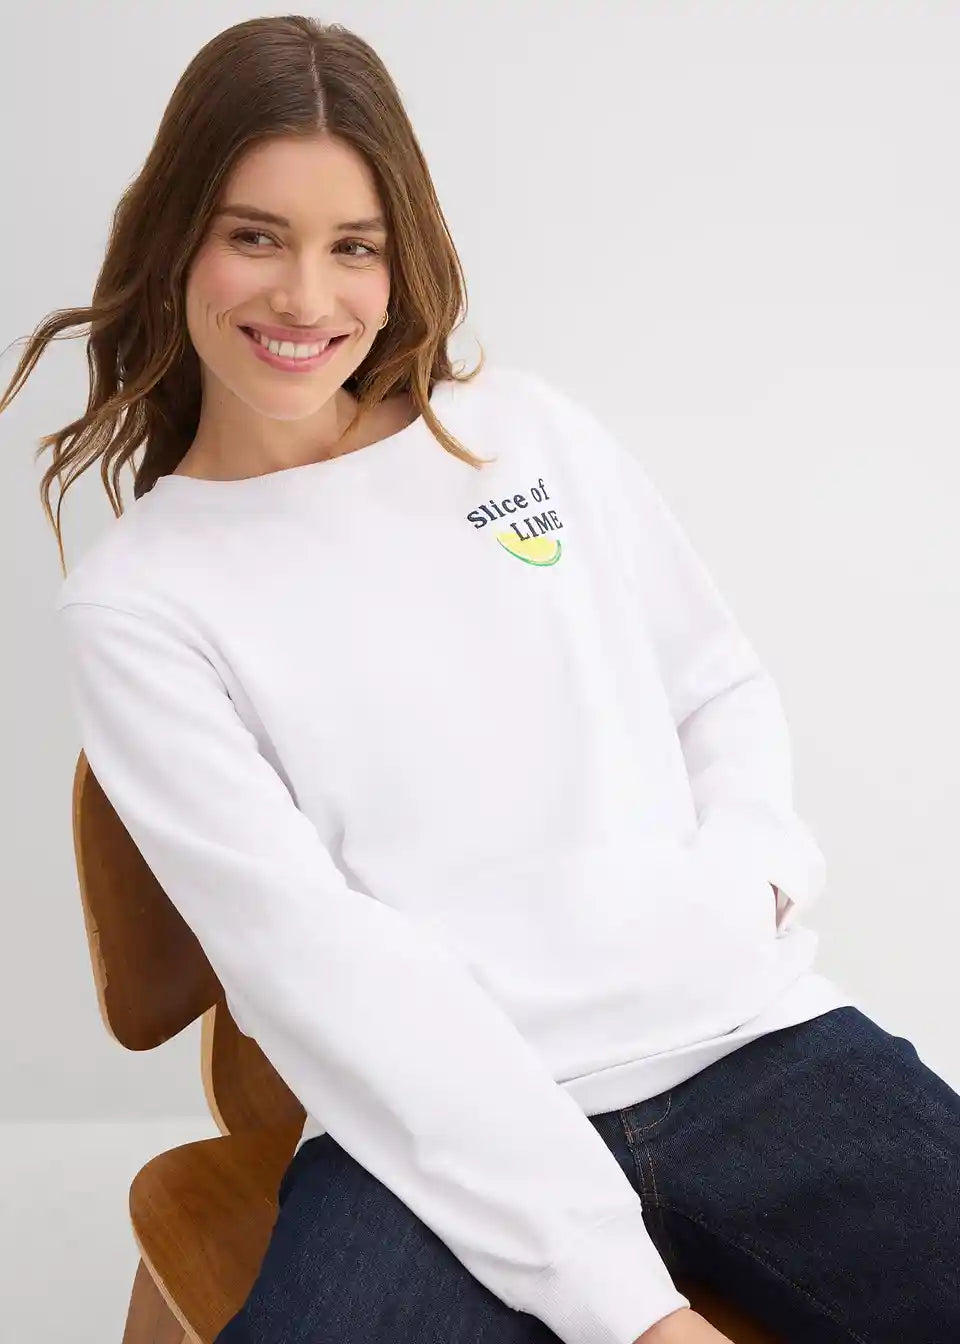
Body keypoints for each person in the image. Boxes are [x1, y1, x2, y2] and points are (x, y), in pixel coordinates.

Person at [8, 17, 958, 1344]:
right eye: (256, 236)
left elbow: (716, 686)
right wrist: (640, 1317)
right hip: (426, 1131)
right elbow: (318, 970)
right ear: (175, 241)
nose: (306, 299)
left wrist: (749, 883)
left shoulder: (521, 432)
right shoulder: (141, 602)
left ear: (404, 258)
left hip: (745, 1043)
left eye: (355, 246)